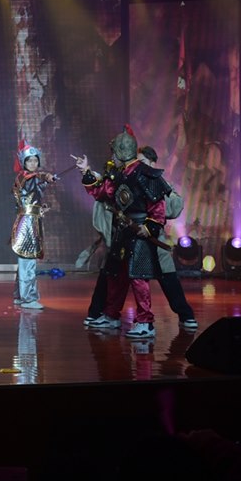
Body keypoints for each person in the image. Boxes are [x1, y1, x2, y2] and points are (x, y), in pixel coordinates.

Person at [83, 147, 198, 331]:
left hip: (152, 241)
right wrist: (88, 173)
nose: (137, 166)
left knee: (168, 279)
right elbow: (106, 194)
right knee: (112, 275)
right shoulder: (124, 180)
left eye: (142, 162)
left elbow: (173, 208)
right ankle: (100, 313)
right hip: (123, 240)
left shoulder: (158, 182)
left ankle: (185, 315)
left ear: (152, 164)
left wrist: (149, 203)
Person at [74, 125, 171, 339]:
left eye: (114, 153)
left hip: (139, 233)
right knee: (115, 275)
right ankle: (111, 315)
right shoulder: (119, 175)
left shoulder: (146, 174)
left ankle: (145, 322)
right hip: (122, 233)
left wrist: (150, 227)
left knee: (138, 278)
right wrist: (86, 170)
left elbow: (158, 206)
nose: (112, 157)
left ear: (121, 151)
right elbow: (101, 192)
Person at [11, 141, 56, 310]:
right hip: (27, 222)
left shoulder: (29, 179)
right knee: (28, 260)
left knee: (26, 259)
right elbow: (37, 178)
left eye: (35, 160)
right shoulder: (25, 177)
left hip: (31, 219)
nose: (33, 163)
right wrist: (47, 177)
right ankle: (28, 298)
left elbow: (34, 191)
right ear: (23, 162)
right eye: (29, 160)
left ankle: (19, 295)